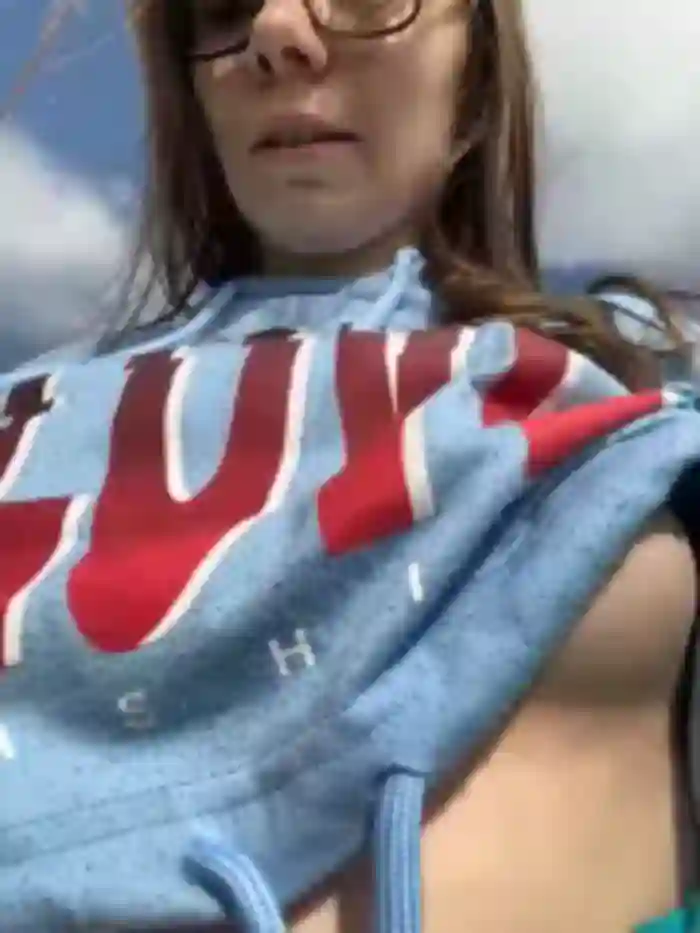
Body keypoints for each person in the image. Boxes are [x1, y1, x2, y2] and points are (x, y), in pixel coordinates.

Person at [1, 0, 699, 931]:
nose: (275, 30)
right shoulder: (29, 402)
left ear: (475, 84)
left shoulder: (630, 401)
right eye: (222, 7)